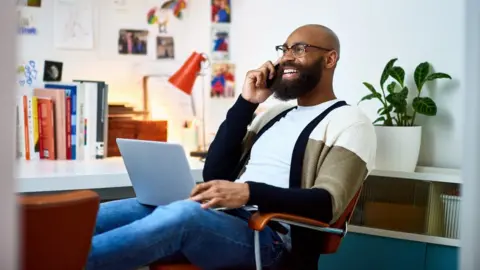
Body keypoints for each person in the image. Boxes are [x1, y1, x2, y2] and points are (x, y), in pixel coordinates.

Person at [86, 24, 377, 270]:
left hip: (269, 238)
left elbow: (326, 204)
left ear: (330, 59)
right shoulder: (274, 115)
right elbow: (216, 171)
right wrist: (247, 102)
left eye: (299, 49)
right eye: (284, 50)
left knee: (183, 216)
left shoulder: (349, 122)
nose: (286, 58)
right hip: (220, 218)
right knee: (101, 214)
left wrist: (248, 192)